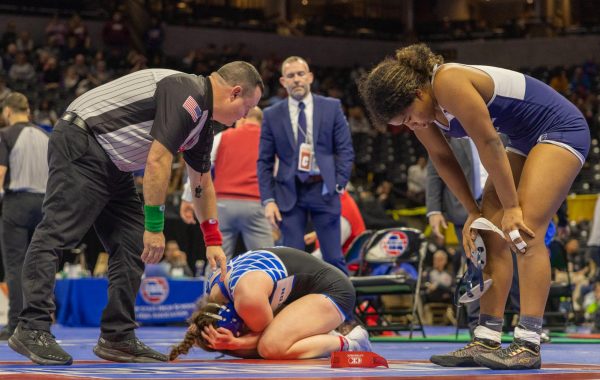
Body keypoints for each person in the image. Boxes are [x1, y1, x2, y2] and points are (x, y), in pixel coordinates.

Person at [8, 62, 263, 366]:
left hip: (115, 161)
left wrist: (212, 239)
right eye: (248, 106)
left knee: (132, 244)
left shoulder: (202, 122)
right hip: (82, 139)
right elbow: (157, 160)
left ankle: (117, 336)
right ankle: (31, 327)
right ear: (235, 93)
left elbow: (201, 181)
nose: (245, 115)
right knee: (57, 233)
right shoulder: (187, 92)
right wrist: (155, 226)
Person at [359, 44, 589, 370]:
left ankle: (528, 342)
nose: (414, 126)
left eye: (410, 117)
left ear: (416, 92)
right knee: (488, 234)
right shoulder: (423, 111)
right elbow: (442, 159)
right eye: (404, 124)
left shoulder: (448, 81)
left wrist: (511, 207)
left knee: (524, 231)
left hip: (561, 127)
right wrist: (473, 212)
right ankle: (486, 337)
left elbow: (489, 143)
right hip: (524, 137)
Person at [168, 246, 371, 360]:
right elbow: (200, 322)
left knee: (271, 347)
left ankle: (352, 343)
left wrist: (237, 343)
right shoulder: (212, 296)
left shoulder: (248, 299)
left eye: (240, 330)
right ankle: (321, 332)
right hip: (306, 290)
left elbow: (266, 340)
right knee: (267, 342)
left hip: (334, 290)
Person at [257, 56, 354, 273]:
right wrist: (268, 200)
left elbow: (345, 149)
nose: (296, 80)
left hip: (324, 189)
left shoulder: (331, 107)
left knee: (334, 258)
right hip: (289, 191)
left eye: (301, 74)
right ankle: (295, 307)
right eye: (290, 76)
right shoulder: (272, 114)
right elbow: (264, 161)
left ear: (309, 77)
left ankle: (343, 308)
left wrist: (339, 183)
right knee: (292, 261)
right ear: (283, 82)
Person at [180, 106, 273, 258]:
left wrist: (188, 198)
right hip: (256, 204)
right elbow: (276, 174)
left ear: (242, 118)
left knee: (216, 258)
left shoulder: (222, 137)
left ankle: (213, 282)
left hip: (223, 205)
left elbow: (199, 167)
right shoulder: (268, 141)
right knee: (266, 260)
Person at [0, 93, 48, 340]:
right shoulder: (45, 135)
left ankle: (16, 326)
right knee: (39, 265)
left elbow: (0, 173)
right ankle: (39, 322)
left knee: (16, 266)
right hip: (45, 204)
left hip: (17, 203)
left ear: (8, 112)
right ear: (28, 110)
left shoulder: (6, 135)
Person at [305, 191, 366, 260]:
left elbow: (325, 254)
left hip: (339, 266)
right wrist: (317, 234)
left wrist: (297, 263)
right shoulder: (341, 197)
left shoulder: (343, 216)